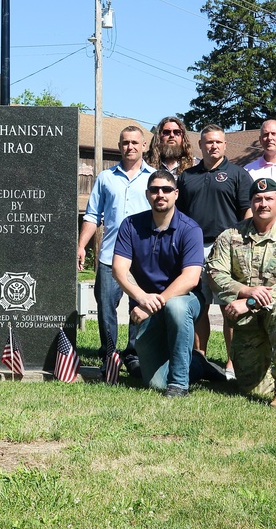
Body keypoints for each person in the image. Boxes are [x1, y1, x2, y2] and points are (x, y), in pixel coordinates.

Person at [207, 178, 276, 409]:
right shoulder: (230, 236)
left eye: (269, 199)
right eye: (258, 199)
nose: (263, 203)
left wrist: (251, 301)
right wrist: (244, 290)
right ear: (251, 203)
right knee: (252, 388)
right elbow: (214, 273)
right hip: (247, 322)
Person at [111, 170, 206, 397]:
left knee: (176, 307)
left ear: (176, 194)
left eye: (166, 190)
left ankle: (179, 385)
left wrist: (156, 301)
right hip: (148, 307)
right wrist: (142, 297)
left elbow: (191, 278)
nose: (160, 194)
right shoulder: (131, 225)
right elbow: (119, 269)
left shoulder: (190, 229)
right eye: (154, 190)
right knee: (154, 383)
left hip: (185, 300)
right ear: (147, 194)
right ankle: (199, 365)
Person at [176, 124, 253, 378]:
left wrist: (243, 244)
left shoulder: (238, 174)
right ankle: (200, 361)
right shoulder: (187, 177)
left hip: (228, 250)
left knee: (229, 306)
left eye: (218, 142)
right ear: (200, 145)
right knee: (199, 306)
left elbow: (247, 212)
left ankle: (233, 365)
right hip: (195, 248)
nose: (213, 146)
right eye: (208, 142)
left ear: (225, 145)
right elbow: (180, 215)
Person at [76, 126, 154, 377]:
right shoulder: (105, 178)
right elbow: (91, 215)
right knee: (106, 308)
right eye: (125, 142)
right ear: (119, 146)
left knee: (140, 306)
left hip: (143, 259)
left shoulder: (154, 179)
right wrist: (81, 245)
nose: (129, 146)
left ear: (144, 146)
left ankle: (134, 355)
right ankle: (109, 355)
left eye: (134, 142)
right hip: (110, 255)